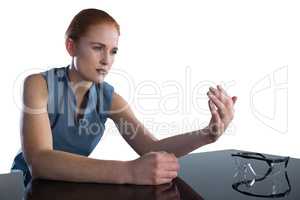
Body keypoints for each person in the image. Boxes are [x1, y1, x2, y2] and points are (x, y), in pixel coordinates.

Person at [11, 8, 237, 187]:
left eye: (113, 51)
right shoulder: (38, 84)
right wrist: (129, 171)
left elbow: (150, 147)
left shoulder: (109, 98)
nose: (106, 60)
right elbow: (39, 162)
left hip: (71, 187)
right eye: (98, 48)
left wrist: (208, 135)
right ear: (71, 46)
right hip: (27, 188)